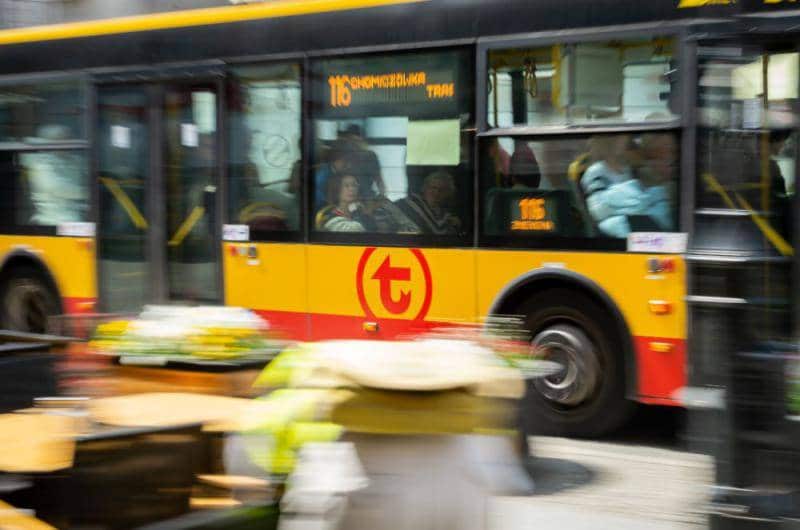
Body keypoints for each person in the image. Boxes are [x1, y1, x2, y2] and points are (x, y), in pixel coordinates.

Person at [395, 171, 461, 235]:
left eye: (442, 190)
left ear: (448, 193)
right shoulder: (407, 204)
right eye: (433, 187)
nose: (437, 192)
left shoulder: (446, 217)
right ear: (424, 188)